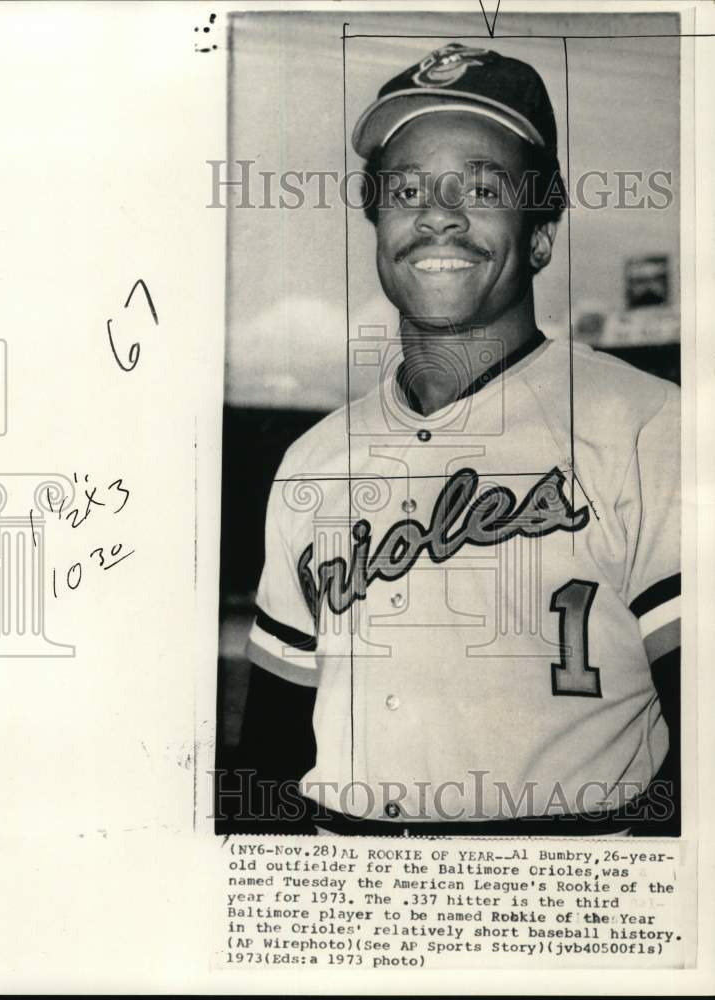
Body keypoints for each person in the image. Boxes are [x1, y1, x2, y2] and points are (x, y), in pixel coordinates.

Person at [233, 42, 681, 836]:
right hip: (352, 920)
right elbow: (271, 755)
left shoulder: (650, 428)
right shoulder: (313, 462)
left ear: (540, 231)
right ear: (378, 230)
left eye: (482, 186)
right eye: (406, 189)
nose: (437, 211)